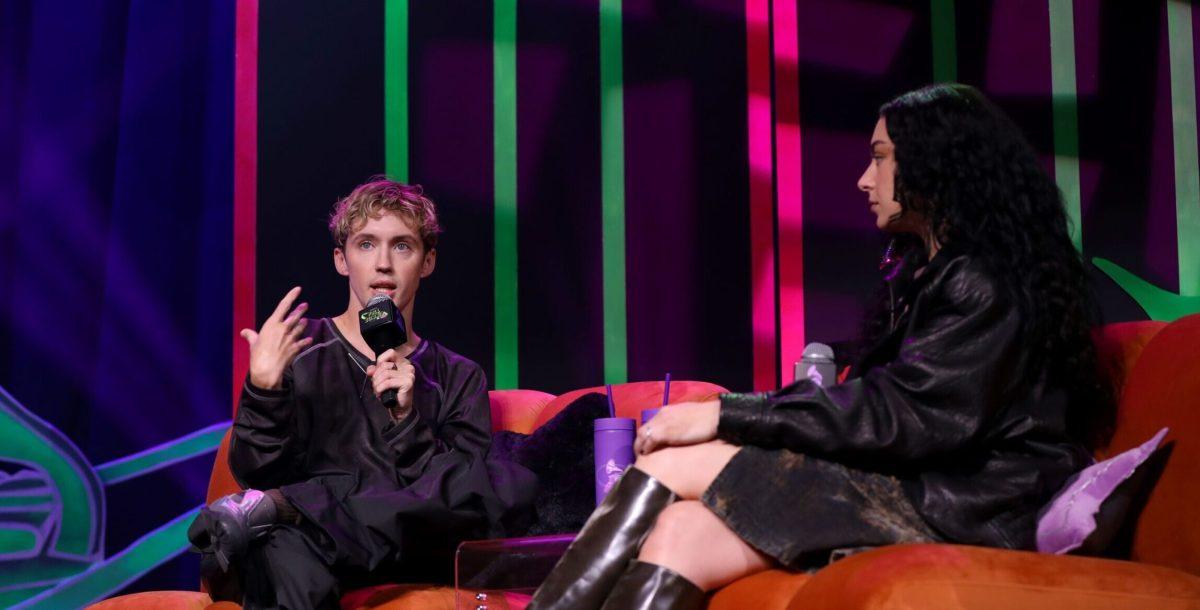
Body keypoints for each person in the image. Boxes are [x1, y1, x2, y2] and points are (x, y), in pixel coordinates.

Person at [527, 83, 1110, 609]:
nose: (864, 178)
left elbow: (902, 414)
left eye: (881, 158)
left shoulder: (983, 281)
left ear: (936, 166)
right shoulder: (932, 277)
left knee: (672, 463)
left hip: (970, 507)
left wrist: (724, 412)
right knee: (682, 532)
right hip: (930, 487)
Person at [190, 179, 536, 609]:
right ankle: (292, 513)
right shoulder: (300, 351)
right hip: (309, 549)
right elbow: (255, 476)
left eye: (403, 247)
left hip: (407, 549)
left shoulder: (459, 376)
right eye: (367, 245)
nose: (384, 264)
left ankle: (291, 508)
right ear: (342, 259)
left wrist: (406, 421)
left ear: (427, 262)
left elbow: (464, 502)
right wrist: (263, 390)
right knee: (287, 552)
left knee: (494, 490)